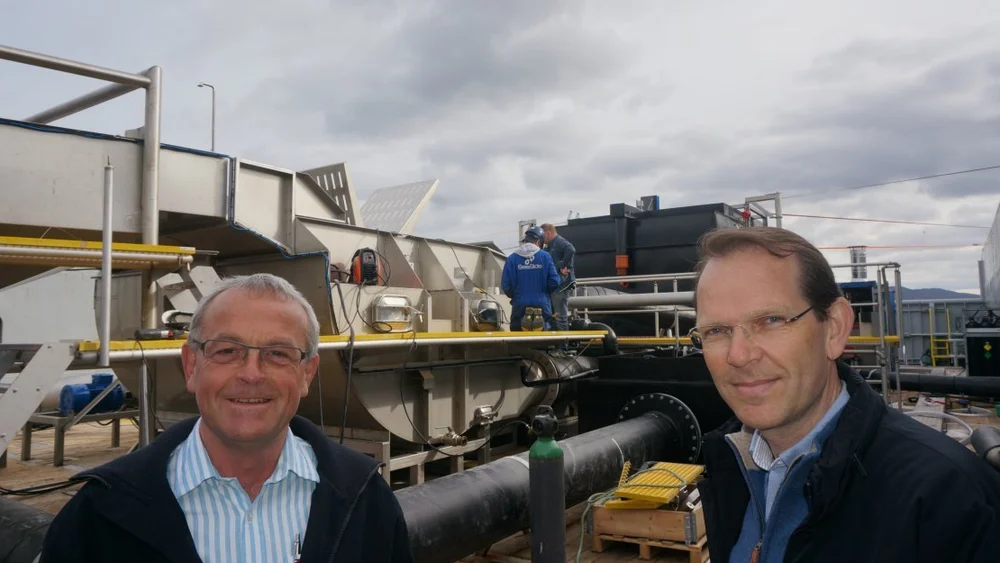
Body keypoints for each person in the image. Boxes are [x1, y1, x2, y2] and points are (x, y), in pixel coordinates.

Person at [40, 273, 414, 563]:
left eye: (278, 354)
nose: (252, 374)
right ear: (191, 365)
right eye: (227, 351)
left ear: (307, 374)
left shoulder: (365, 502)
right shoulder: (99, 514)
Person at [691, 227, 1000, 563]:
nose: (738, 355)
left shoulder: (949, 503)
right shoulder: (729, 468)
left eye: (771, 320)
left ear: (835, 328)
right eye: (716, 331)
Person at [502, 225, 561, 331]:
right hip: (542, 305)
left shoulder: (512, 258)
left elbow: (506, 286)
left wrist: (516, 296)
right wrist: (545, 293)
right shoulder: (545, 256)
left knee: (518, 338)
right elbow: (555, 281)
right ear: (539, 241)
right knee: (543, 341)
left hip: (519, 304)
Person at [541, 223, 576, 332]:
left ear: (547, 233)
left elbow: (571, 249)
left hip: (563, 283)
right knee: (554, 316)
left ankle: (562, 347)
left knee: (560, 316)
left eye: (542, 236)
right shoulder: (550, 245)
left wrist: (562, 264)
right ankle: (557, 344)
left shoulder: (559, 241)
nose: (541, 239)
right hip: (557, 284)